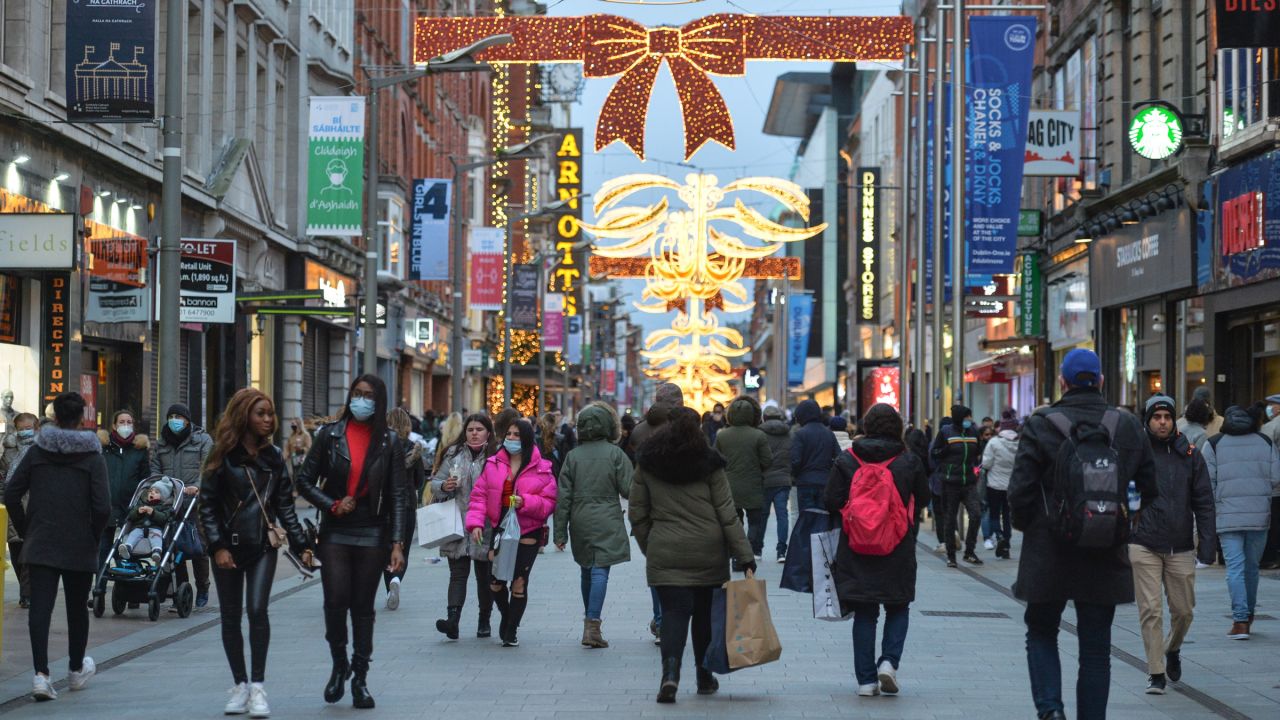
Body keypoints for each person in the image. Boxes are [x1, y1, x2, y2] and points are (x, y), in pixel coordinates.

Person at [1008, 349, 1158, 720]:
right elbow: (1150, 487)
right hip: (1105, 551)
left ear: (1063, 382)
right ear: (1102, 381)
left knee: (1041, 631)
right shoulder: (1124, 425)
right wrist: (1121, 518)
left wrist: (1030, 526)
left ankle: (1051, 711)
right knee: (1095, 648)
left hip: (1049, 551)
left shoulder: (1042, 422)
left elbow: (1019, 490)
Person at [293, 375, 408, 708]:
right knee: (334, 601)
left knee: (362, 607)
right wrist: (331, 503)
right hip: (336, 529)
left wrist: (398, 542)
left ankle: (360, 677)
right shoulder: (329, 435)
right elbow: (303, 481)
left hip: (373, 530)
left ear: (379, 401)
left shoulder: (388, 441)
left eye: (368, 396)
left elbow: (399, 493)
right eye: (356, 394)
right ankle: (338, 663)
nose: (361, 400)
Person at [629, 406, 755, 703]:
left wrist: (652, 545)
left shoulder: (647, 462)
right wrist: (744, 554)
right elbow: (727, 513)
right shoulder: (710, 462)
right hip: (708, 552)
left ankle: (670, 674)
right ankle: (704, 675)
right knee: (703, 618)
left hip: (666, 549)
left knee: (673, 614)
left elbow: (637, 513)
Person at [200, 387, 311, 717]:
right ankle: (240, 685)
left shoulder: (275, 456)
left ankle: (259, 686)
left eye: (270, 414)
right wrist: (217, 546)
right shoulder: (221, 455)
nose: (268, 419)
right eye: (260, 413)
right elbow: (206, 505)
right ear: (244, 415)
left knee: (258, 609)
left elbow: (284, 505)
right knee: (231, 616)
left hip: (262, 545)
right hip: (227, 548)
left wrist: (303, 545)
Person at [4, 392, 109, 701]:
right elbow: (103, 507)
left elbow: (11, 493)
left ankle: (41, 676)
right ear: (82, 419)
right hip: (79, 542)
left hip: (41, 540)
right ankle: (76, 671)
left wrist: (27, 529)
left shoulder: (37, 452)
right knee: (77, 608)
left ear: (54, 417)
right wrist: (93, 534)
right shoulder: (93, 457)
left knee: (40, 608)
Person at [825, 404, 929, 697]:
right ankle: (889, 662)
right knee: (898, 606)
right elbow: (923, 498)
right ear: (897, 426)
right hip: (897, 545)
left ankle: (866, 681)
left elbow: (830, 500)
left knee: (865, 613)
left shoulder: (848, 459)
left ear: (866, 425)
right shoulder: (909, 460)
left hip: (856, 546)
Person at [1129, 395, 1215, 694]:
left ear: (1173, 420)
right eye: (1157, 417)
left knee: (1184, 611)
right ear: (1148, 420)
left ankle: (1173, 648)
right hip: (1143, 542)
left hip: (1180, 544)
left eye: (1167, 416)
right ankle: (1155, 672)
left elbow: (1204, 501)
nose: (1162, 421)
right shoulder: (1136, 454)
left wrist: (1207, 543)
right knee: (1151, 610)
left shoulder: (1190, 454)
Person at [465, 418, 557, 647]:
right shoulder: (493, 463)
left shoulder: (542, 467)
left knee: (519, 582)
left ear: (526, 439)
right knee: (495, 582)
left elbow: (549, 502)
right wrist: (475, 524)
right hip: (500, 529)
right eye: (509, 434)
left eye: (517, 435)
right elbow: (479, 496)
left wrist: (525, 501)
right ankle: (506, 616)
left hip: (528, 530)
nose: (512, 439)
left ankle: (511, 630)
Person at [554, 402, 634, 648]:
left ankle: (589, 620)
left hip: (579, 518)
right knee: (601, 570)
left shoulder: (573, 457)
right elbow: (630, 489)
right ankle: (592, 624)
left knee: (586, 568)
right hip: (607, 516)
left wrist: (559, 533)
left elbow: (563, 497)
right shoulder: (615, 454)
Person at [1200, 404, 1280, 640]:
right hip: (1259, 515)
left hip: (1227, 516)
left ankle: (1240, 620)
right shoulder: (1265, 442)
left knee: (1234, 568)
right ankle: (1249, 616)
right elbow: (1276, 479)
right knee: (1251, 568)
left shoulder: (1213, 444)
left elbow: (1206, 483)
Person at [626, 382, 684, 646]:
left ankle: (660, 621)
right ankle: (675, 619)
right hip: (683, 509)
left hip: (652, 510)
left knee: (657, 569)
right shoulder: (688, 429)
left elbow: (634, 474)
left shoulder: (639, 431)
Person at [430, 413, 497, 639]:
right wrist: (444, 485)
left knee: (484, 575)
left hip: (484, 525)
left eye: (479, 429)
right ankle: (453, 621)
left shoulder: (495, 456)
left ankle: (484, 620)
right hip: (456, 520)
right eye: (470, 429)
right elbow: (435, 482)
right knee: (457, 574)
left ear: (488, 432)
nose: (474, 433)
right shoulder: (453, 453)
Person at [151, 402, 214, 607]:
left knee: (198, 548)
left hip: (195, 503)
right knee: (173, 545)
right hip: (171, 503)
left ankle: (203, 586)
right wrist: (160, 488)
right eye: (171, 417)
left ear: (187, 421)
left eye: (179, 417)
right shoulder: (162, 443)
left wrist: (197, 487)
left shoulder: (202, 440)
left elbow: (209, 468)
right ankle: (182, 589)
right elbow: (155, 470)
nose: (174, 421)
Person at [714, 396, 771, 563]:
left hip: (729, 486)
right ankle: (748, 552)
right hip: (753, 485)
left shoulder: (722, 435)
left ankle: (735, 554)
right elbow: (767, 460)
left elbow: (715, 459)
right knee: (755, 522)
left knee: (734, 522)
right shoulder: (758, 435)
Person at [384, 408, 426, 611]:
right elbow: (419, 481)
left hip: (383, 506)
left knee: (387, 550)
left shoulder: (381, 447)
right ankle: (397, 580)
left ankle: (388, 587)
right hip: (407, 505)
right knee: (403, 549)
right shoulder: (414, 449)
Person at [932, 404, 984, 567]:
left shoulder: (974, 432)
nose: (969, 419)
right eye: (966, 417)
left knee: (976, 515)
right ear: (958, 418)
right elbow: (935, 453)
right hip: (950, 482)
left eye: (970, 416)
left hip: (968, 481)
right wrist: (945, 452)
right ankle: (951, 555)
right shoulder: (946, 432)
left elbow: (977, 452)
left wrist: (974, 467)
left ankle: (969, 551)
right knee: (949, 519)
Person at [98, 409, 151, 567]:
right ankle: (100, 587)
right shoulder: (103, 449)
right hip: (107, 506)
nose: (126, 425)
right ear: (114, 426)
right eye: (122, 422)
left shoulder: (139, 451)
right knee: (103, 550)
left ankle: (126, 589)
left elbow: (145, 479)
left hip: (131, 508)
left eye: (129, 422)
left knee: (127, 550)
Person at [0, 411, 38, 607]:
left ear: (36, 428)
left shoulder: (42, 450)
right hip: (13, 506)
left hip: (35, 505)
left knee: (30, 552)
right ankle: (27, 592)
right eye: (21, 429)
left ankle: (27, 594)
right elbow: (2, 477)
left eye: (29, 428)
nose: (25, 432)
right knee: (17, 551)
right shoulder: (7, 451)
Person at [981, 409, 1019, 560]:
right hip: (1011, 486)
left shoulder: (994, 442)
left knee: (995, 515)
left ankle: (999, 535)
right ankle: (1007, 545)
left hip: (994, 485)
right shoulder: (1020, 443)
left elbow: (986, 463)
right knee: (1008, 516)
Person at [791, 399, 839, 510]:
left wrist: (796, 475)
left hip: (805, 482)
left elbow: (795, 461)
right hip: (825, 482)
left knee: (807, 518)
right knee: (822, 519)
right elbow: (839, 457)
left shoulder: (800, 434)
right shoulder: (829, 433)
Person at [760, 404, 793, 563]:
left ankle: (757, 549)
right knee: (782, 516)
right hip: (783, 479)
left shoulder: (759, 433)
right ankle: (781, 552)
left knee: (762, 515)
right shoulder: (789, 433)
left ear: (764, 418)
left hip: (764, 480)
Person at [118, 481, 173, 562]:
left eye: (156, 492)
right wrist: (138, 512)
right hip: (139, 527)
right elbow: (131, 516)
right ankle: (127, 548)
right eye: (150, 491)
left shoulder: (164, 506)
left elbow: (164, 518)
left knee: (156, 536)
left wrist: (153, 513)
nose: (152, 493)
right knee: (133, 534)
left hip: (155, 528)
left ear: (163, 496)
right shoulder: (141, 503)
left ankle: (157, 551)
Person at [432, 412, 464, 476]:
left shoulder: (443, 438)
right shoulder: (463, 437)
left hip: (443, 471)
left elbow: (437, 455)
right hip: (458, 471)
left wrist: (434, 470)